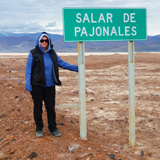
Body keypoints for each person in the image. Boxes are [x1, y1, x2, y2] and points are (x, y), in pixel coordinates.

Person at [25, 32, 78, 138]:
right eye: (42, 40)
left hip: (50, 86)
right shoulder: (33, 53)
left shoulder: (52, 53)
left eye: (46, 40)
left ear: (49, 42)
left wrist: (76, 68)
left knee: (50, 107)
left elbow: (62, 63)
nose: (44, 42)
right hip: (37, 85)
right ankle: (39, 129)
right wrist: (28, 84)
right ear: (39, 42)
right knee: (38, 107)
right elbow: (28, 70)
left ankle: (53, 128)